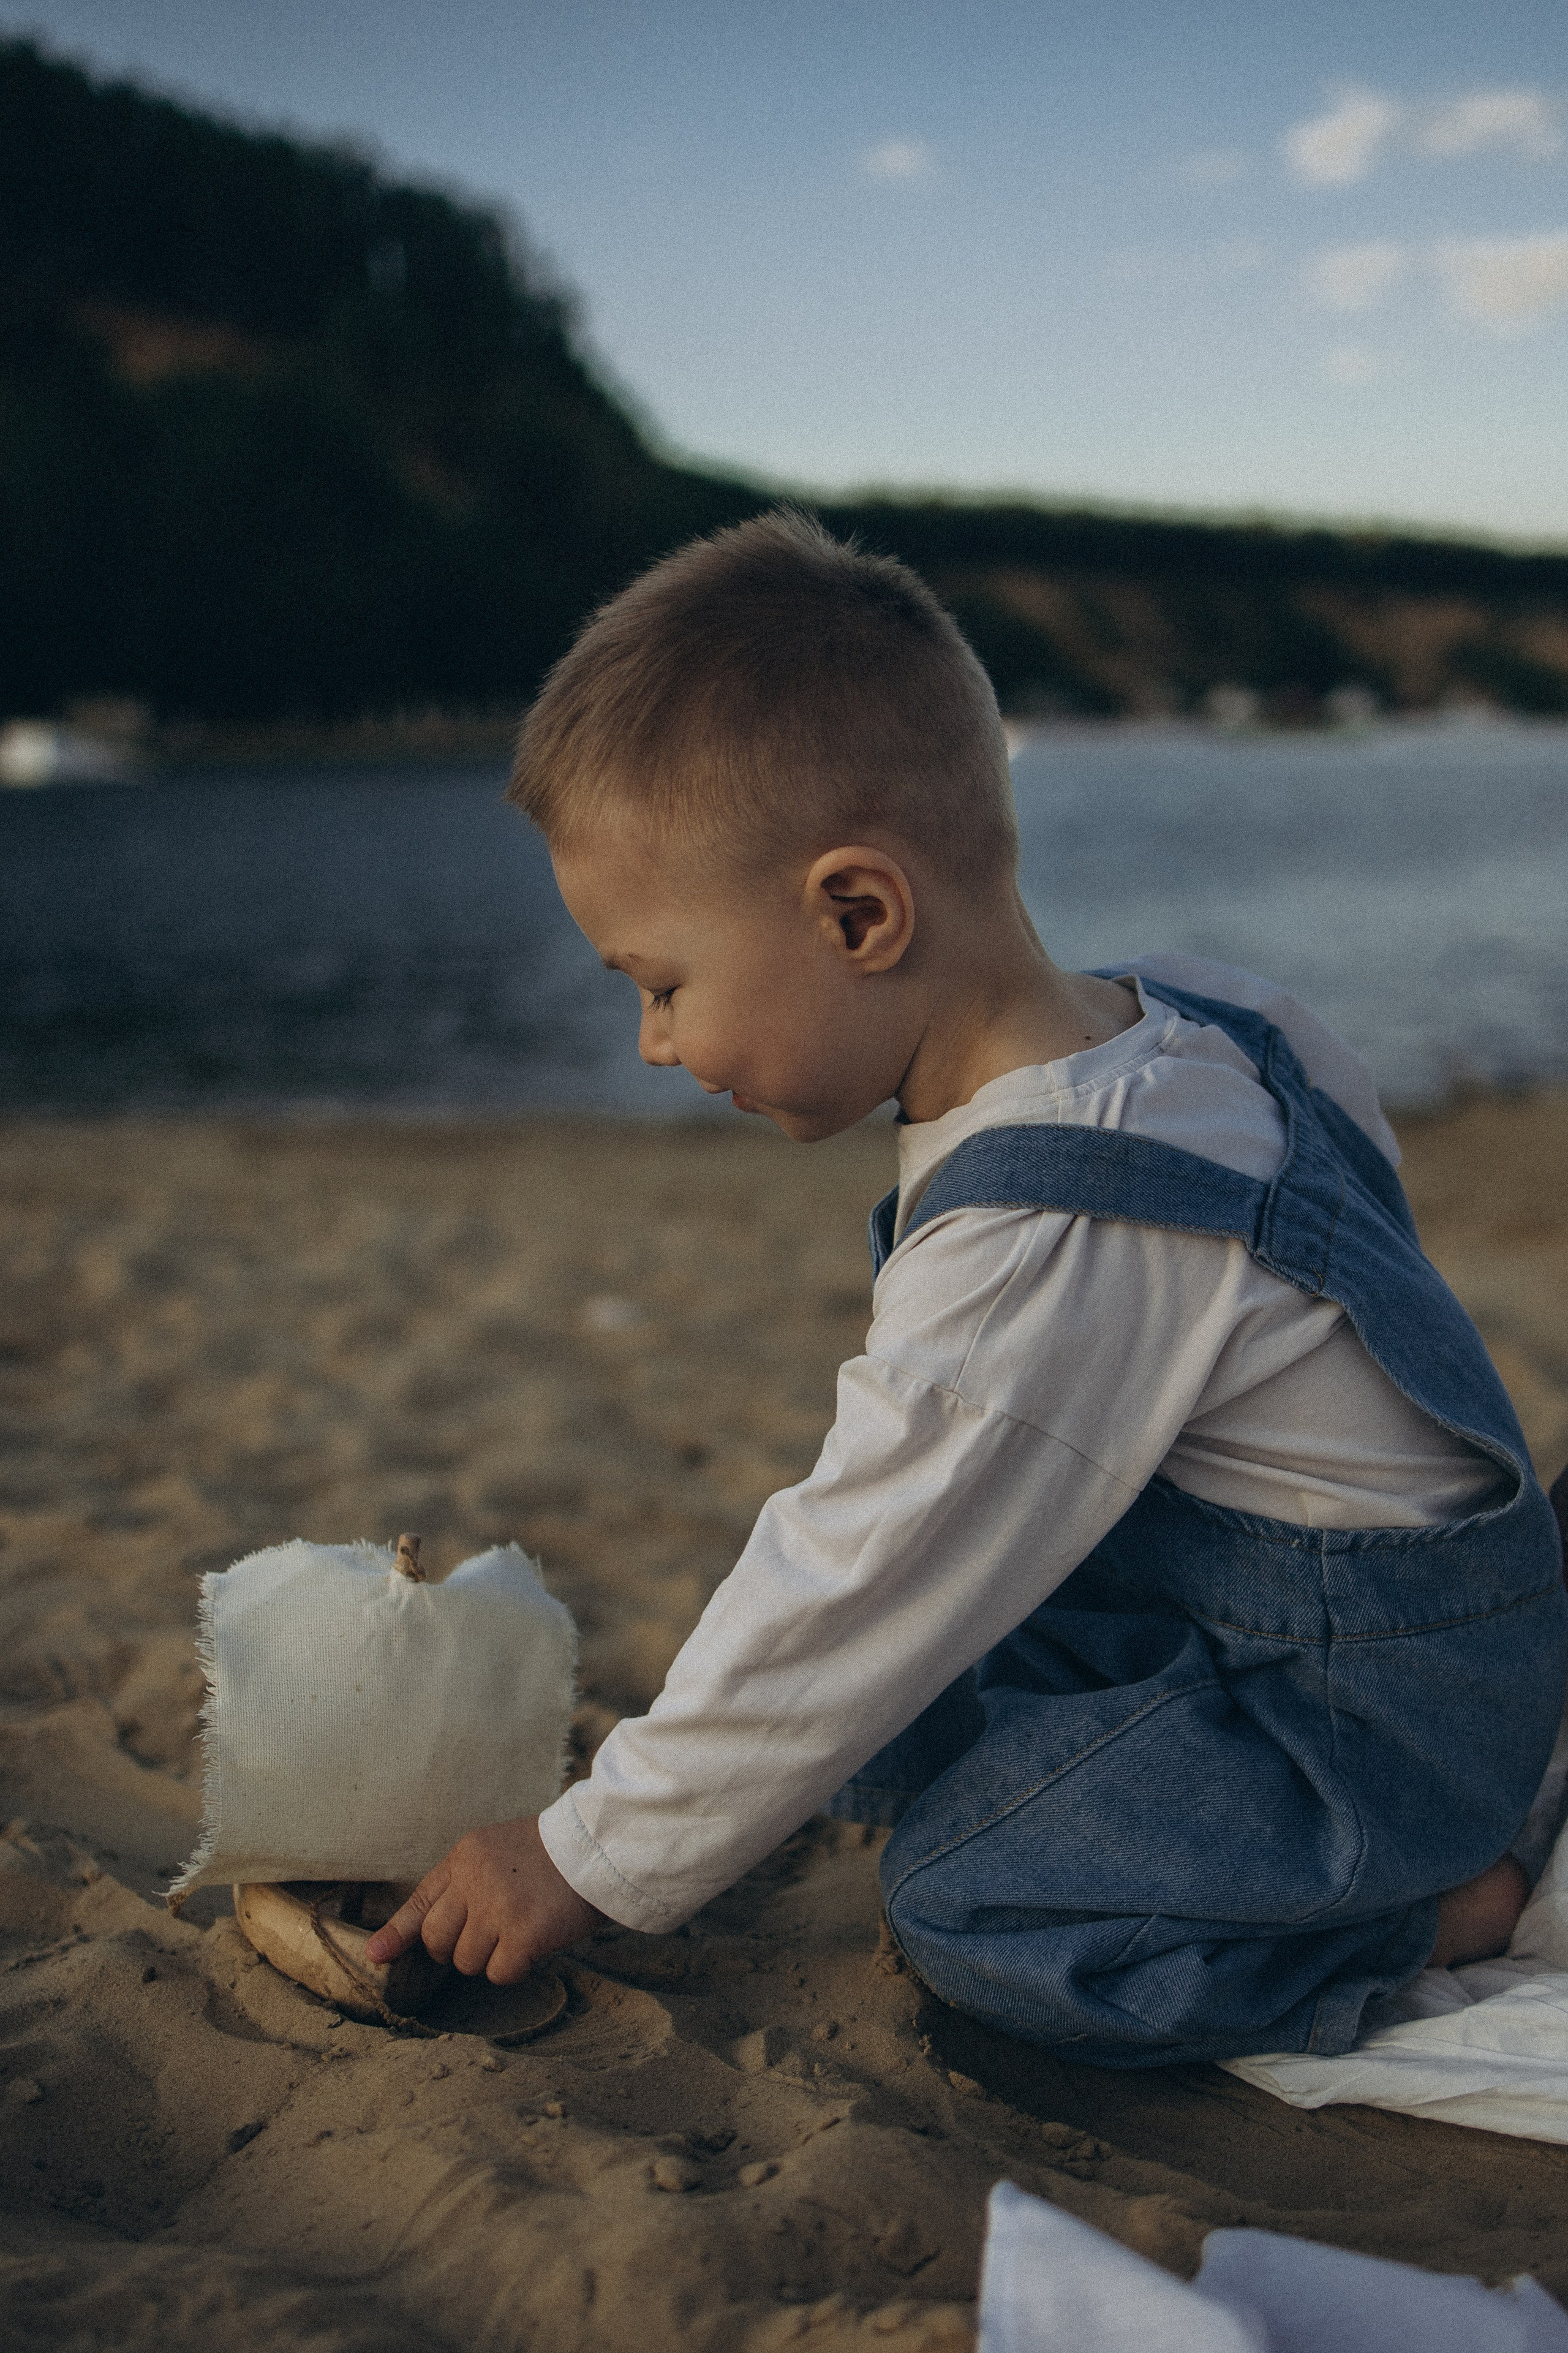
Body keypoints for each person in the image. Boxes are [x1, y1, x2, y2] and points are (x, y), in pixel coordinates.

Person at [369, 511, 1568, 2066]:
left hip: (1366, 1726)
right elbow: (1367, 1225)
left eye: (663, 987)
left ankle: (1424, 1908)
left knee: (974, 1904)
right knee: (921, 1673)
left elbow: (853, 1569)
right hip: (1367, 1621)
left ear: (857, 913)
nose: (655, 1048)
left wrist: (587, 1858)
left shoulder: (1045, 1230)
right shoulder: (1214, 1019)